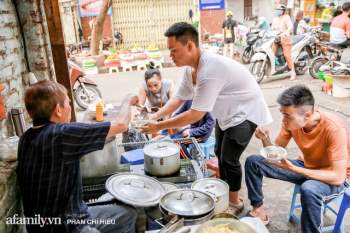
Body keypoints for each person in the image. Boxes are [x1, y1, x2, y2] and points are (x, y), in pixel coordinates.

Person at [141, 22, 272, 215]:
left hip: (246, 112)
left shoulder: (210, 69)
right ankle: (229, 195)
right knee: (219, 152)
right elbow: (178, 99)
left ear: (190, 46)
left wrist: (158, 126)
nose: (171, 55)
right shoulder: (189, 69)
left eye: (173, 50)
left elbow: (195, 114)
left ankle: (235, 202)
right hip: (226, 112)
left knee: (229, 159)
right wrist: (155, 116)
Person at [17, 80, 138, 233]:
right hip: (68, 226)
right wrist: (128, 100)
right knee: (127, 214)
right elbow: (121, 125)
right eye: (68, 103)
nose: (70, 107)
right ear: (58, 110)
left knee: (123, 213)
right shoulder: (62, 134)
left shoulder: (25, 138)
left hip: (38, 227)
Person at [244, 85, 350, 232]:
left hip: (334, 177)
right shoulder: (291, 123)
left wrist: (295, 168)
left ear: (306, 115)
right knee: (254, 162)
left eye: (287, 115)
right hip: (307, 166)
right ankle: (258, 212)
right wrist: (265, 139)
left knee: (309, 189)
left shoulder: (333, 129)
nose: (284, 120)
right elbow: (275, 154)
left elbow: (338, 177)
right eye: (283, 114)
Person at [271, 4, 296, 80]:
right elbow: (272, 28)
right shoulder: (275, 19)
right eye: (277, 10)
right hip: (276, 38)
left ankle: (293, 73)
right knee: (271, 53)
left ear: (283, 11)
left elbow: (290, 27)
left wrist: (286, 32)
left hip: (284, 38)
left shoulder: (286, 17)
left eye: (279, 10)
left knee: (287, 55)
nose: (278, 11)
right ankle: (273, 69)